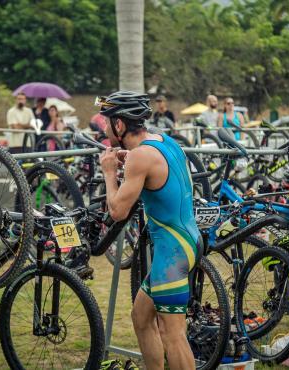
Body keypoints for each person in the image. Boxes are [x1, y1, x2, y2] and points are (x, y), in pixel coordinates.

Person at [97, 91, 200, 370]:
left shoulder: (139, 158)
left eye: (107, 122)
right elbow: (156, 170)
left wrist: (109, 172)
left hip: (172, 252)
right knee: (141, 317)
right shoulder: (165, 143)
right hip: (188, 240)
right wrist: (130, 161)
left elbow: (117, 211)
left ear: (119, 125)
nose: (104, 128)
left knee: (173, 334)